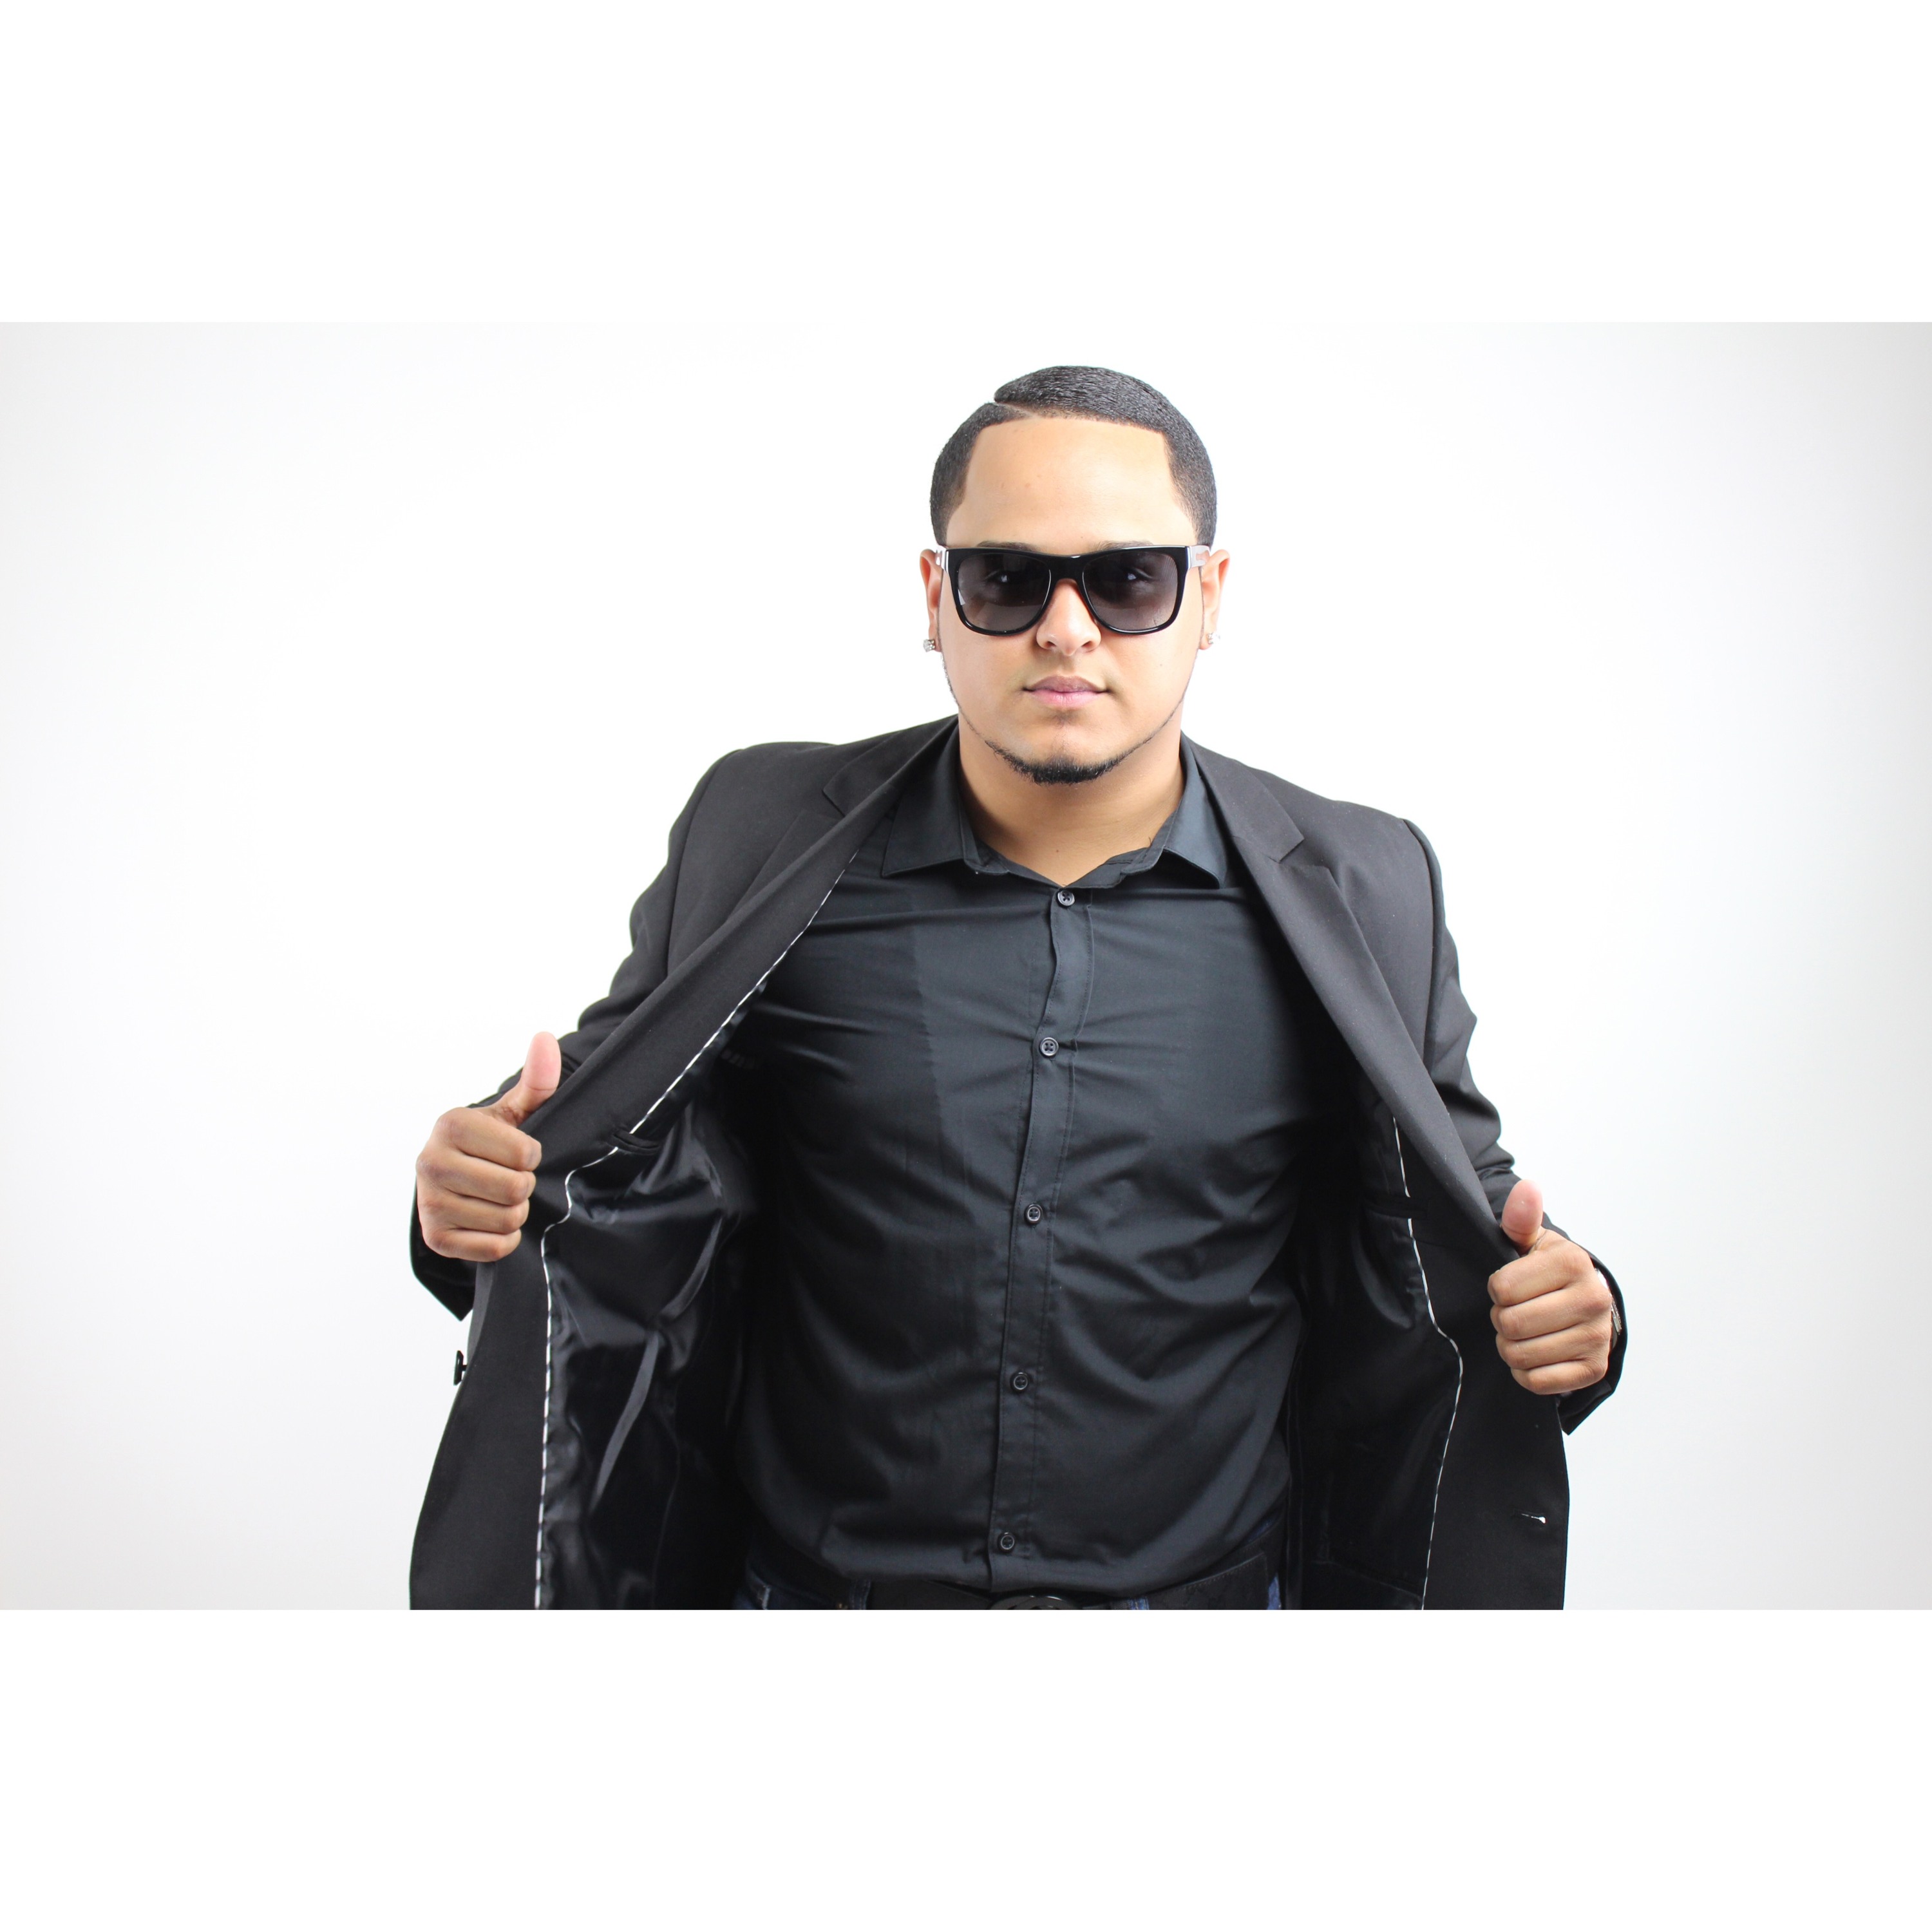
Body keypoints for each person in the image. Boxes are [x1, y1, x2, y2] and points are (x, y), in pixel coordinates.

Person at [409, 366, 1625, 1611]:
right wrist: (473, 1189)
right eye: (1007, 579)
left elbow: (1468, 1212)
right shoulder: (758, 833)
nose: (1066, 629)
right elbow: (597, 1142)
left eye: (1129, 579)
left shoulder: (1367, 886)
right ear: (937, 598)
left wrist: (1578, 1314)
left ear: (1209, 597)